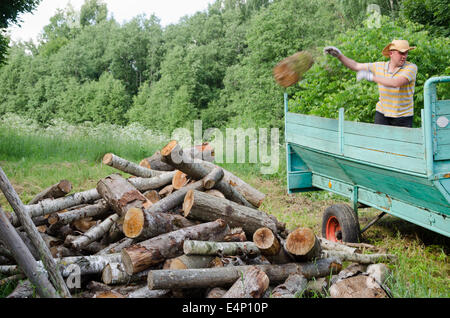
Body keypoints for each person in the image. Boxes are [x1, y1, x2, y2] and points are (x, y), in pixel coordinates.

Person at [324, 39, 418, 128]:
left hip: (403, 117)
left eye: (406, 53)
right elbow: (356, 65)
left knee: (400, 145)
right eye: (401, 53)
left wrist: (370, 77)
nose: (404, 56)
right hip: (382, 113)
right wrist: (339, 56)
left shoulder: (411, 68)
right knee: (379, 144)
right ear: (391, 53)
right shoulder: (379, 66)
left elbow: (396, 83)